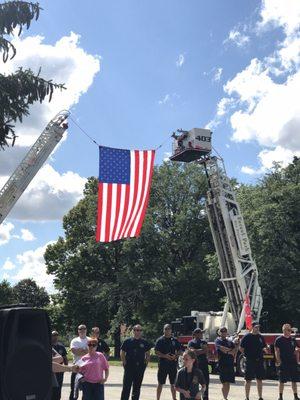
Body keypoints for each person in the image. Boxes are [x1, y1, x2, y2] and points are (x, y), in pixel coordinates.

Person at [120, 324, 152, 400]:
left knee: (137, 387)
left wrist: (145, 364)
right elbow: (122, 352)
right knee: (126, 387)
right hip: (129, 367)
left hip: (140, 368)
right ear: (133, 331)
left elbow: (148, 354)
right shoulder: (127, 341)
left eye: (140, 330)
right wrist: (124, 362)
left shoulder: (144, 342)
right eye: (137, 330)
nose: (139, 332)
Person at [155, 323, 183, 400]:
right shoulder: (160, 340)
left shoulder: (174, 340)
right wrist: (165, 356)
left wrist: (176, 356)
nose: (167, 330)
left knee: (173, 383)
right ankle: (158, 398)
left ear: (171, 330)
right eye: (166, 329)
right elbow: (156, 352)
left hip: (173, 365)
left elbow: (180, 350)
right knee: (160, 383)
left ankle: (174, 398)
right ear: (163, 330)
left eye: (169, 329)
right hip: (163, 364)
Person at [240, 322, 267, 400]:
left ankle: (260, 397)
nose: (257, 329)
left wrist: (265, 349)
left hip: (259, 360)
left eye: (258, 327)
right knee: (248, 379)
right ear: (252, 327)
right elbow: (241, 348)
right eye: (256, 327)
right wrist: (245, 355)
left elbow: (264, 346)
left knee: (259, 379)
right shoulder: (247, 337)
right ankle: (247, 397)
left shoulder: (260, 337)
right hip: (250, 360)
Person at [274, 323, 300, 400]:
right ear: (284, 330)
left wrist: (297, 360)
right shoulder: (279, 339)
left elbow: (297, 350)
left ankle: (295, 396)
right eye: (288, 330)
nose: (290, 331)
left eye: (290, 330)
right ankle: (280, 396)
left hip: (292, 362)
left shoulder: (293, 339)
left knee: (294, 380)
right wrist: (278, 361)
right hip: (283, 362)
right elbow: (276, 351)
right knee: (282, 380)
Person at [215, 327, 238, 400]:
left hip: (230, 364)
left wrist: (237, 344)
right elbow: (221, 348)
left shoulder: (229, 341)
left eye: (225, 331)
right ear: (219, 332)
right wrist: (229, 351)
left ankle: (226, 398)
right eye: (222, 331)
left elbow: (235, 350)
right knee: (224, 382)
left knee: (228, 382)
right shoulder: (218, 340)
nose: (223, 333)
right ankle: (224, 398)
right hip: (222, 364)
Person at [69, 324, 90, 400]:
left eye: (84, 328)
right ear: (78, 330)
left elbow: (90, 352)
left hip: (88, 367)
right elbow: (75, 352)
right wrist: (85, 350)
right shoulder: (74, 340)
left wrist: (81, 350)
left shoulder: (90, 340)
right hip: (76, 367)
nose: (82, 330)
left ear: (86, 330)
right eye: (80, 329)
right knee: (74, 389)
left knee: (86, 389)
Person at [188, 328, 209, 400]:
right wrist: (201, 350)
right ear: (195, 334)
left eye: (201, 333)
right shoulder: (191, 342)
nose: (201, 334)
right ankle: (195, 397)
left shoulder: (204, 342)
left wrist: (199, 351)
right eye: (199, 333)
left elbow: (206, 350)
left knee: (206, 382)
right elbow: (192, 352)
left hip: (204, 364)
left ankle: (205, 397)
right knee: (194, 382)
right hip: (195, 365)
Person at [52, 330, 68, 400]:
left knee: (59, 386)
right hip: (52, 371)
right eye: (53, 335)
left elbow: (65, 358)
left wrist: (66, 367)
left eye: (56, 335)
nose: (55, 337)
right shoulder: (48, 346)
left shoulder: (61, 346)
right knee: (53, 388)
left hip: (60, 371)